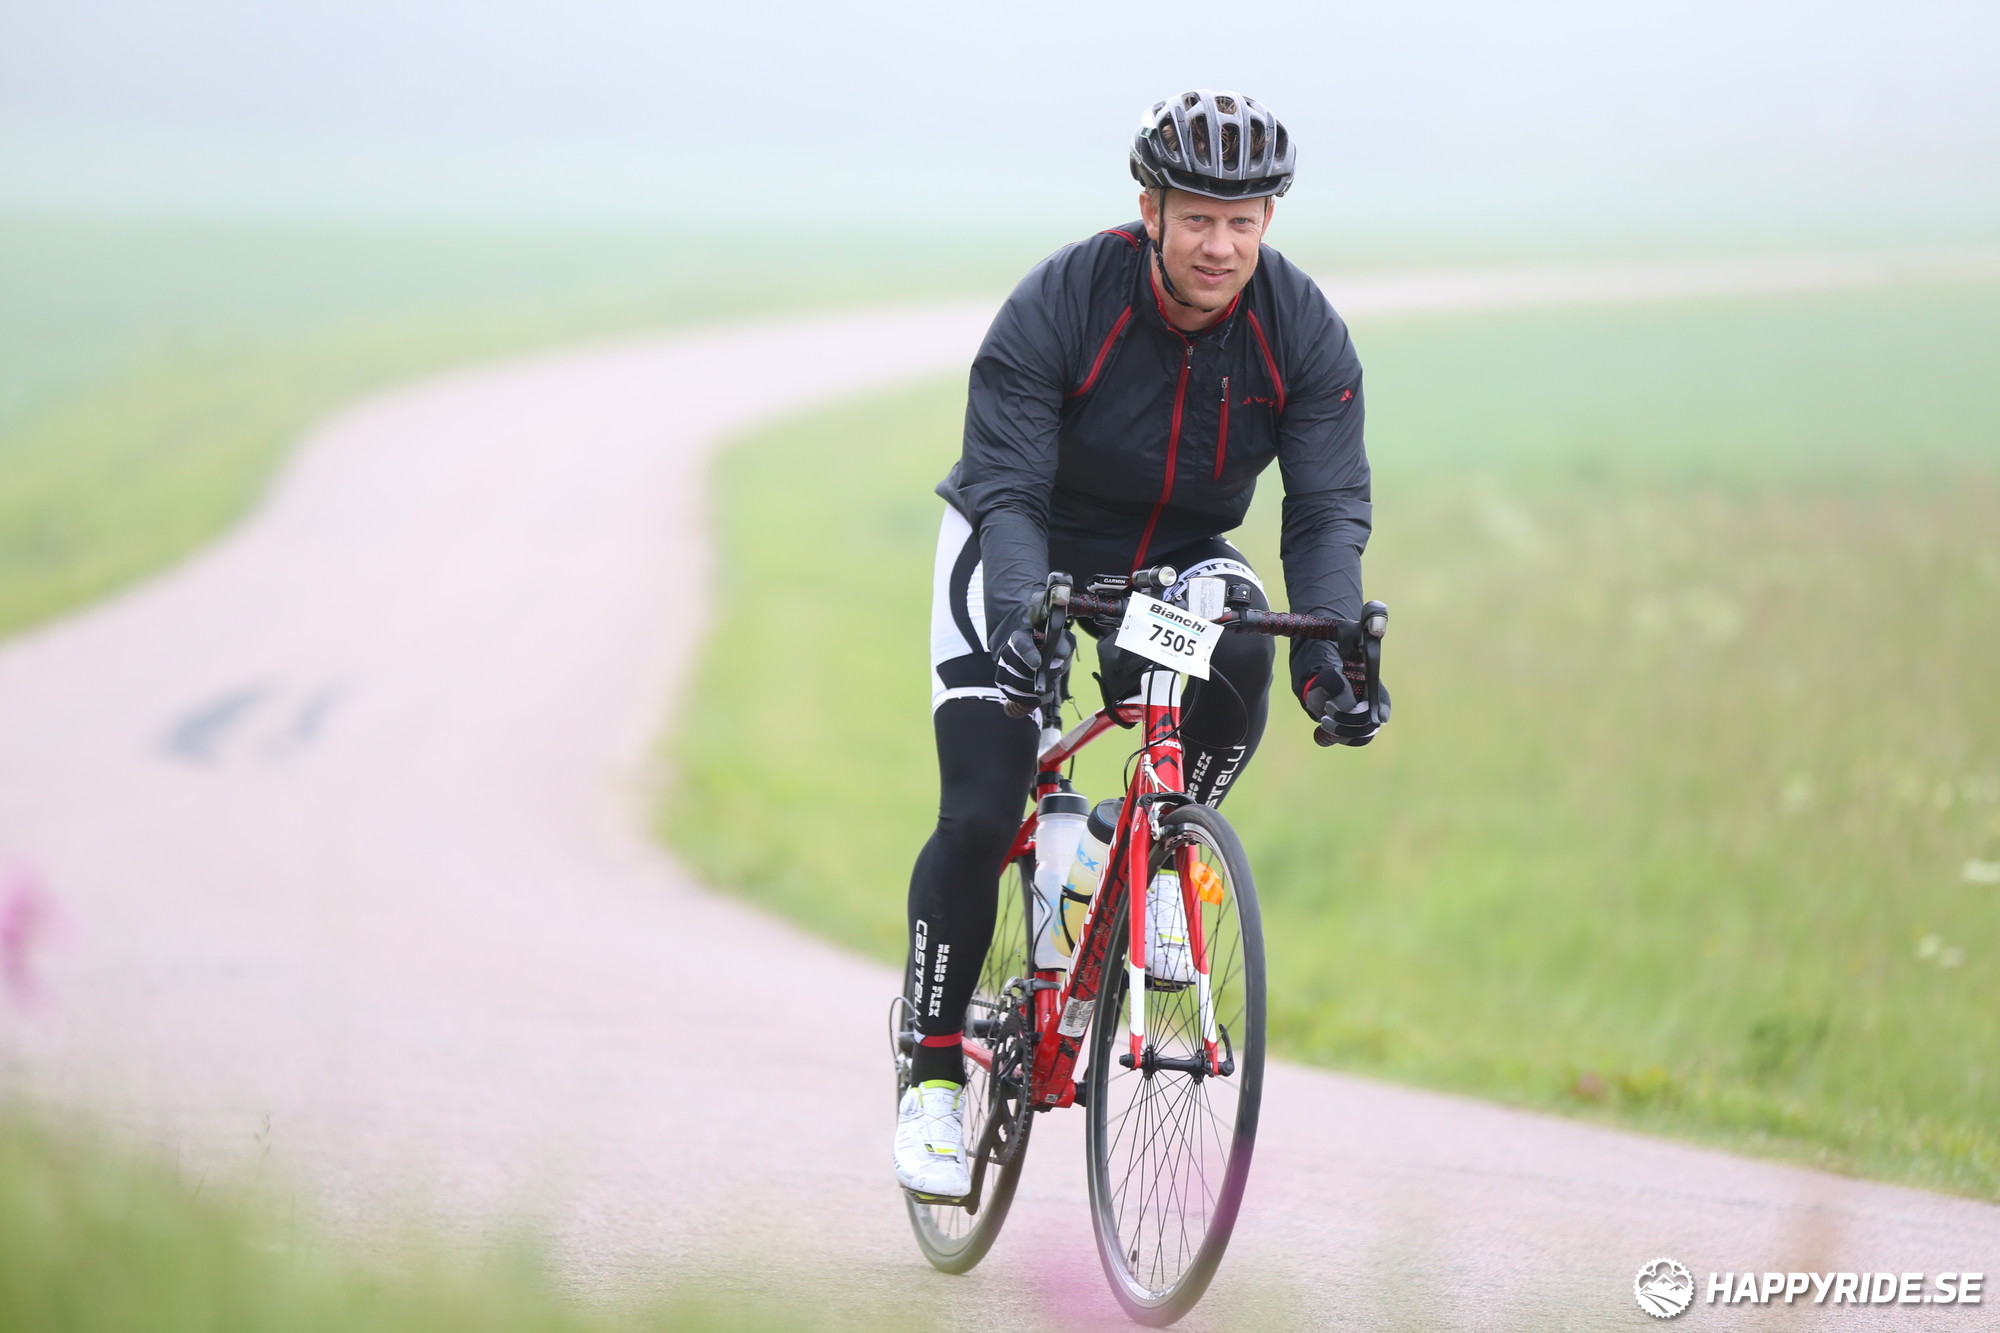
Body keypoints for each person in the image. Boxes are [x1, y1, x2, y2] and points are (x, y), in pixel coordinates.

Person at [894, 89, 1388, 1198]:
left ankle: (1149, 847)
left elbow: (1323, 511)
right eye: (1197, 218)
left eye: (1243, 221)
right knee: (982, 806)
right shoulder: (1063, 300)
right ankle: (930, 1077)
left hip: (1166, 564)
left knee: (1242, 646)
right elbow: (1008, 487)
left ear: (1267, 220)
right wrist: (1023, 618)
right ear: (1150, 209)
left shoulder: (1301, 330)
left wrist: (1329, 664)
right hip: (1017, 540)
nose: (1220, 246)